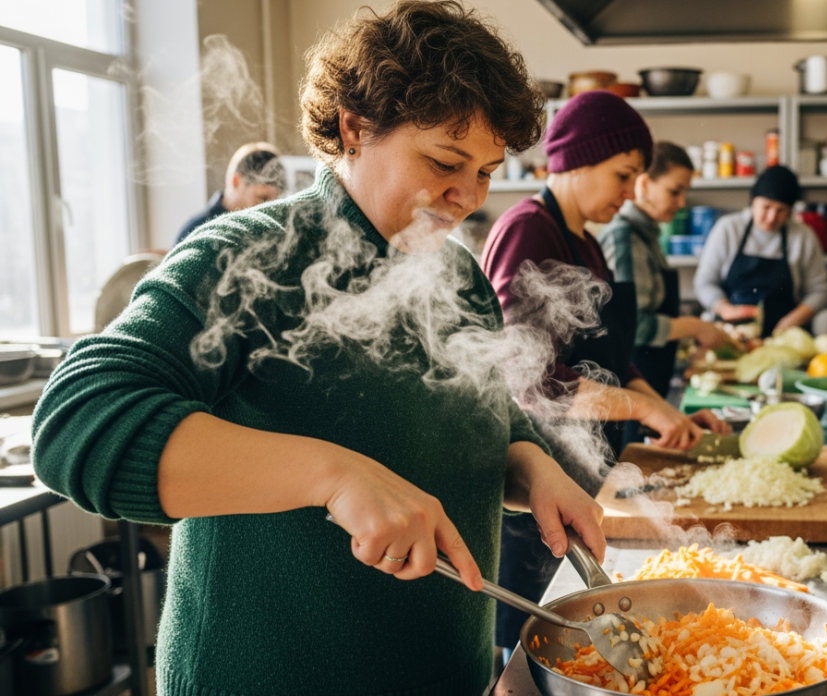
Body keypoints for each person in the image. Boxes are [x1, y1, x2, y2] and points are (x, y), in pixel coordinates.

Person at [32, 4, 605, 694]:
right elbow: (75, 422)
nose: (466, 196)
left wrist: (531, 463)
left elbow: (485, 414)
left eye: (485, 171)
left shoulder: (457, 274)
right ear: (354, 127)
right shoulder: (247, 256)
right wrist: (330, 476)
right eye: (445, 161)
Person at [481, 91, 728, 649]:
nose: (631, 191)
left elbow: (614, 359)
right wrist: (642, 406)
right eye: (624, 174)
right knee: (526, 645)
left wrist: (667, 411)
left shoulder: (588, 244)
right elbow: (531, 380)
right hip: (533, 483)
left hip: (586, 475)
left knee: (581, 636)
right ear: (576, 160)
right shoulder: (529, 229)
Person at [599, 141, 735, 397]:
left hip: (651, 377)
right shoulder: (625, 238)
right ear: (644, 185)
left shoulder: (648, 236)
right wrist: (696, 327)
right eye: (675, 191)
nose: (682, 202)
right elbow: (634, 326)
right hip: (630, 383)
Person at [694, 166, 827, 337]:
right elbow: (704, 282)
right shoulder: (728, 229)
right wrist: (724, 309)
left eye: (781, 210)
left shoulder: (803, 237)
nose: (772, 217)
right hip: (731, 333)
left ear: (791, 211)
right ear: (752, 201)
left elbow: (821, 290)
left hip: (785, 337)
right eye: (766, 207)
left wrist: (791, 322)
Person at [174, 142, 287, 244]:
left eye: (274, 202)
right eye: (262, 199)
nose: (269, 210)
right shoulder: (198, 230)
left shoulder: (271, 232)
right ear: (236, 181)